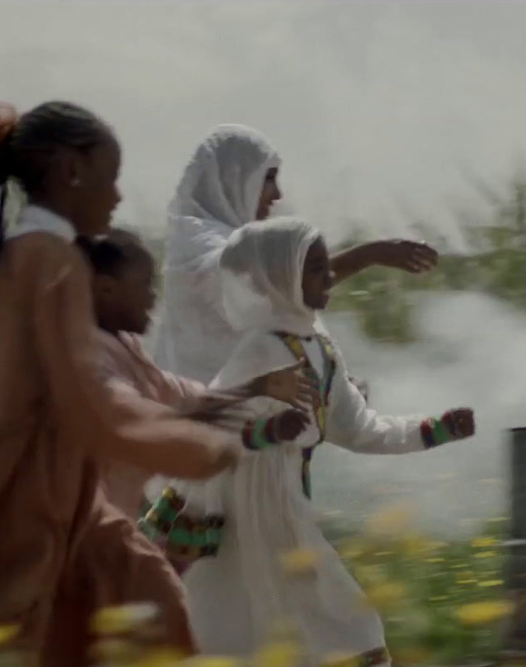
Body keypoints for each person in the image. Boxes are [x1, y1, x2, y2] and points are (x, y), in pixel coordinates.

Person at [0, 101, 243, 665]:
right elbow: (85, 401)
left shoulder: (3, 260)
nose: (116, 197)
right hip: (45, 501)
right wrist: (192, 449)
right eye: (110, 178)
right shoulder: (56, 262)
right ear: (71, 172)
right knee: (139, 612)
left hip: (17, 493)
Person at [149, 218, 477, 665]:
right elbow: (211, 426)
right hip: (254, 512)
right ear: (281, 277)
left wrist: (436, 429)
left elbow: (360, 429)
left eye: (327, 267)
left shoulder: (319, 345)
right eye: (317, 269)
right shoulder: (261, 348)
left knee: (294, 638)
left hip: (285, 505)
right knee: (342, 631)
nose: (330, 278)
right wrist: (268, 433)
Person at [148, 124, 440, 388]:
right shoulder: (200, 245)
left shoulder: (221, 243)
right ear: (235, 178)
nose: (277, 194)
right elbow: (280, 285)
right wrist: (372, 253)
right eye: (268, 179)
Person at [78, 227, 316, 517]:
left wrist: (256, 387)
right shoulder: (93, 362)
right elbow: (147, 423)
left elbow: (183, 398)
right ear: (106, 290)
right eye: (145, 285)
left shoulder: (125, 344)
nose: (153, 298)